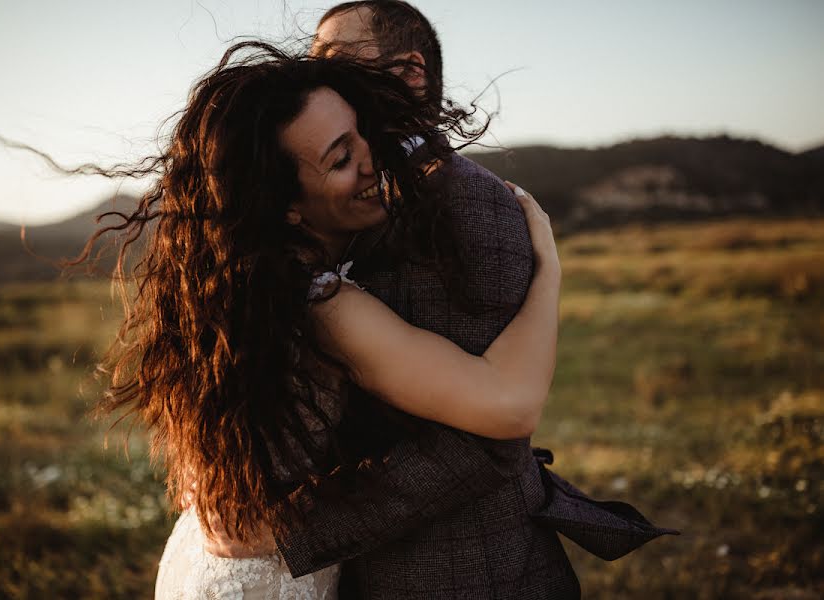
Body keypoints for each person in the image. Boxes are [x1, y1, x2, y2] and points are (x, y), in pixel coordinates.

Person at [217, 2, 672, 599]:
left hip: (461, 574)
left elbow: (485, 437)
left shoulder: (464, 205)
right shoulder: (337, 208)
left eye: (331, 60)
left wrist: (288, 528)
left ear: (410, 73)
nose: (316, 77)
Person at [81, 41, 560, 598]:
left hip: (204, 566)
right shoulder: (322, 303)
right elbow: (511, 406)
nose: (373, 159)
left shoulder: (239, 289)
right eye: (340, 158)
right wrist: (546, 269)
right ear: (283, 205)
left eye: (363, 134)